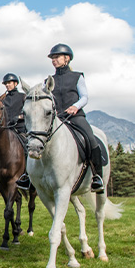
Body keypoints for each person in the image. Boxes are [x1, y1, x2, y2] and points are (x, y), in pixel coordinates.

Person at [46, 43, 105, 194]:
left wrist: (75, 107)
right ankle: (29, 175)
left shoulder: (77, 77)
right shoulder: (49, 80)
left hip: (75, 116)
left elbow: (85, 97)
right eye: (52, 58)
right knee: (36, 139)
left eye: (57, 57)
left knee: (91, 139)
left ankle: (97, 176)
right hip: (57, 118)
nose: (54, 60)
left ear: (67, 58)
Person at [0, 73, 31, 188]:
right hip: (5, 129)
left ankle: (28, 175)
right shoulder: (2, 100)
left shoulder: (23, 96)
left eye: (9, 83)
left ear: (15, 83)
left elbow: (28, 113)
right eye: (6, 83)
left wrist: (19, 117)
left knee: (27, 146)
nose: (7, 85)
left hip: (19, 128)